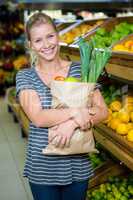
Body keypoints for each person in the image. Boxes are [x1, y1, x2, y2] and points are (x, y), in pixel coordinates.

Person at [16, 12, 108, 200]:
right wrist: (76, 112)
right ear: (30, 45)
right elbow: (39, 117)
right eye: (38, 40)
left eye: (50, 36)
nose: (47, 44)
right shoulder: (25, 76)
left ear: (58, 35)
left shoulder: (79, 69)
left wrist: (71, 124)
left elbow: (102, 111)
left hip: (78, 165)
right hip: (43, 168)